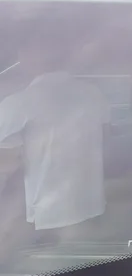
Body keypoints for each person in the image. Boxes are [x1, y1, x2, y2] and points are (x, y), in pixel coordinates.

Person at [0, 41, 110, 232]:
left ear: (27, 57)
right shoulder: (94, 94)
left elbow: (7, 165)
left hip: (44, 221)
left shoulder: (17, 104)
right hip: (92, 211)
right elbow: (106, 143)